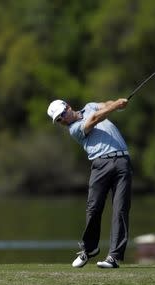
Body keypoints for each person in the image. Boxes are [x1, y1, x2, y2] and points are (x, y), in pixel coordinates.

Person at [47, 98, 132, 269]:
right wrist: (116, 106)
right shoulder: (74, 129)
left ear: (68, 107)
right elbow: (94, 119)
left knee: (120, 209)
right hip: (100, 165)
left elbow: (105, 105)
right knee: (93, 208)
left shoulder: (90, 107)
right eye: (58, 120)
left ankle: (114, 257)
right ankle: (90, 248)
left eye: (62, 114)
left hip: (122, 161)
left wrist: (117, 103)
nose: (62, 120)